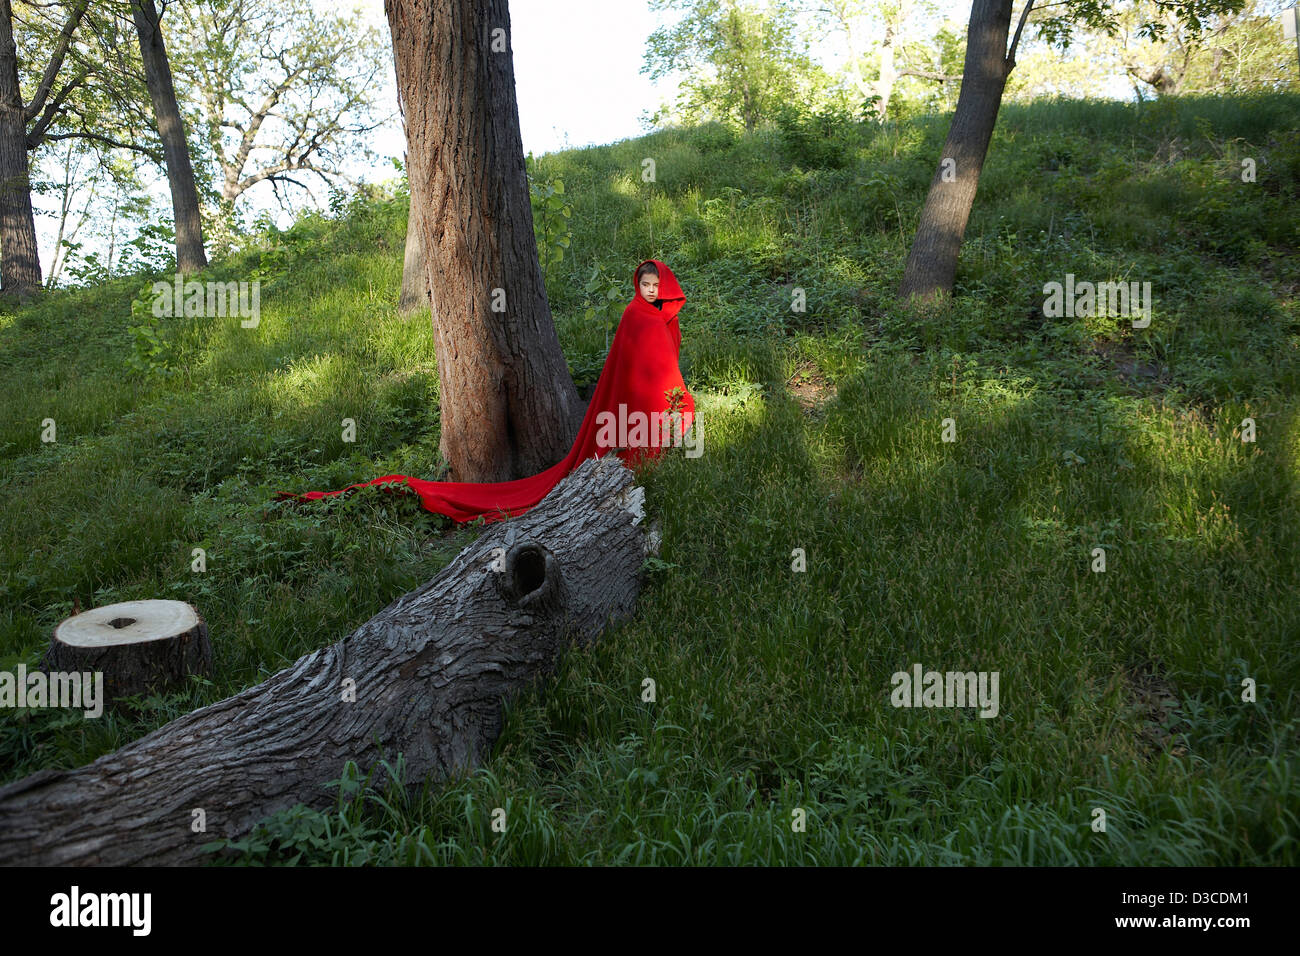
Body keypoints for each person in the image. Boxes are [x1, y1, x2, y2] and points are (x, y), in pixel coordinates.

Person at [274, 258, 696, 523]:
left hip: (644, 404)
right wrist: (680, 406)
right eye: (644, 285)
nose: (650, 290)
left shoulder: (660, 320)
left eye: (656, 284)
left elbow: (656, 367)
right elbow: (634, 372)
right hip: (633, 409)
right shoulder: (635, 316)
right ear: (637, 287)